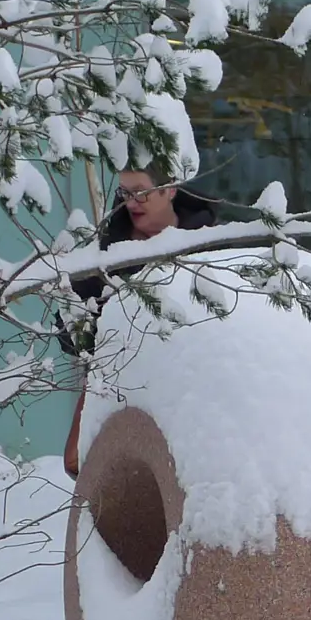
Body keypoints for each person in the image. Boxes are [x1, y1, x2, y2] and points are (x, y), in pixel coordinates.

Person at [63, 166, 219, 477]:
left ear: (170, 189)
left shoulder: (211, 241)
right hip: (120, 381)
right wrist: (94, 326)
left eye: (140, 192)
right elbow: (70, 328)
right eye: (124, 192)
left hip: (197, 379)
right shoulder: (106, 251)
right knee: (85, 467)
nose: (131, 202)